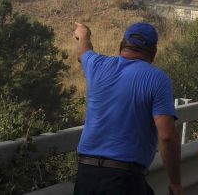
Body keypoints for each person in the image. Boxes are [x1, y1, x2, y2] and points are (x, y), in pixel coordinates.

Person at [74, 21, 182, 195]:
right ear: (153, 53)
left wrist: (84, 34)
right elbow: (167, 135)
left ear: (121, 46)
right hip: (124, 180)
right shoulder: (158, 79)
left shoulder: (97, 66)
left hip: (86, 176)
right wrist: (175, 182)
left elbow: (82, 52)